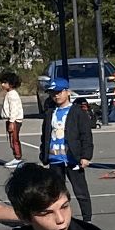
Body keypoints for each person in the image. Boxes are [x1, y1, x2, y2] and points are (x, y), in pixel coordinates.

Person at [38, 77, 96, 222]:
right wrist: (43, 155)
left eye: (58, 92)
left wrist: (86, 156)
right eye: (52, 93)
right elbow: (45, 135)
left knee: (80, 191)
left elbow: (86, 136)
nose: (56, 96)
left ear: (67, 92)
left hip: (72, 158)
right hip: (54, 159)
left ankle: (87, 219)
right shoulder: (50, 112)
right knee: (56, 192)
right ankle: (61, 218)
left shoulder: (77, 112)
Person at [0, 72, 27, 168]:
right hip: (11, 120)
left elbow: (13, 109)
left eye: (5, 83)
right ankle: (16, 157)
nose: (2, 85)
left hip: (14, 120)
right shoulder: (9, 94)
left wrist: (11, 121)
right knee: (12, 139)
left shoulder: (12, 95)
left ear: (11, 83)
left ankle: (18, 158)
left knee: (14, 139)